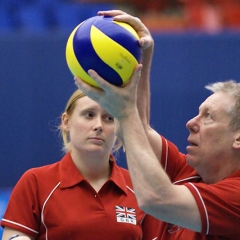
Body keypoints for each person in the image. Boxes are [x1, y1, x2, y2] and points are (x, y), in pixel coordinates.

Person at [74, 10, 240, 240]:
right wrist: (141, 56)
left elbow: (156, 199)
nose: (191, 123)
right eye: (198, 114)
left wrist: (126, 112)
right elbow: (135, 132)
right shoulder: (189, 170)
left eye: (208, 117)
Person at [0, 13, 160, 239]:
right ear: (66, 122)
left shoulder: (140, 188)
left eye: (108, 118)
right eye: (88, 115)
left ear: (120, 126)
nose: (98, 126)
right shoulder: (35, 182)